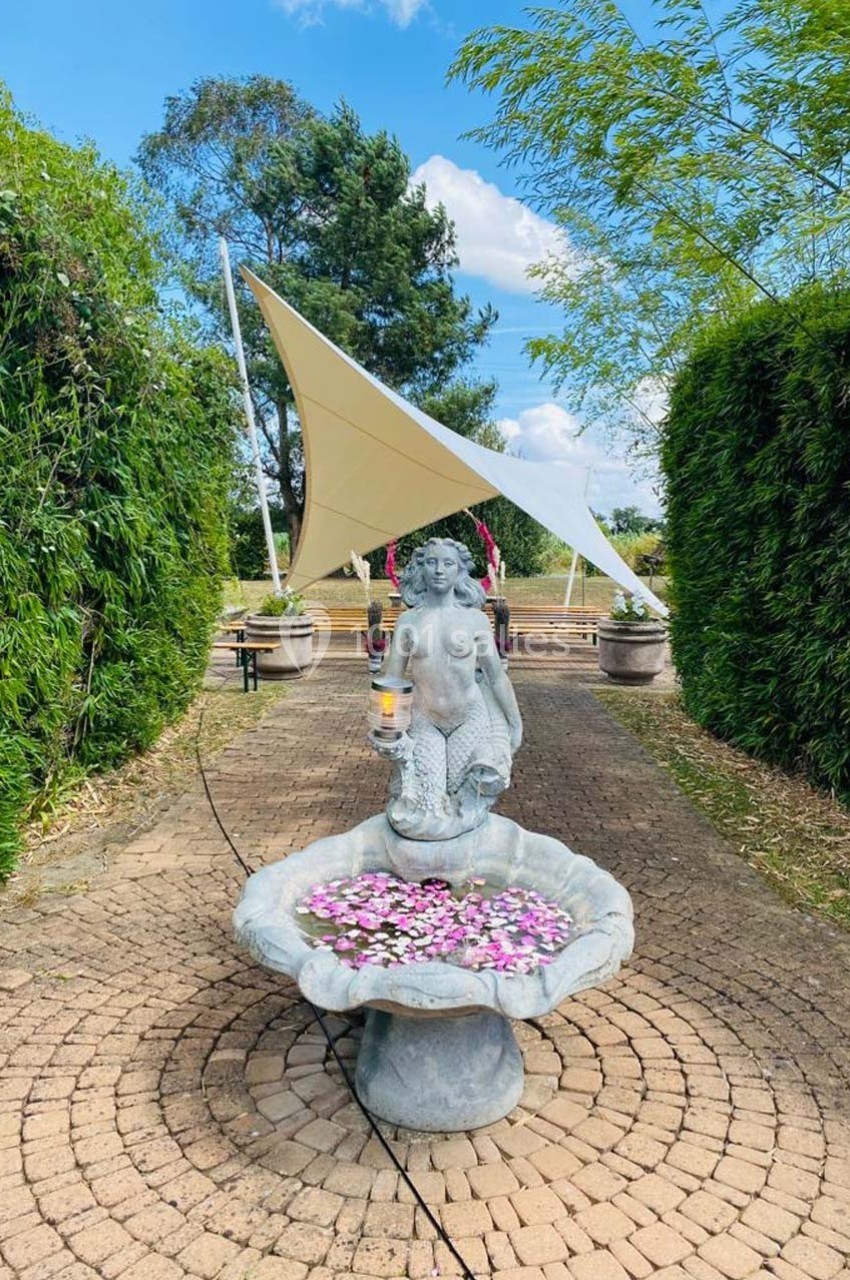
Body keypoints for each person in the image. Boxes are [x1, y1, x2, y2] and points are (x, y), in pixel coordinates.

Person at [371, 537, 522, 840]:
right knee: (427, 809)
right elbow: (393, 677)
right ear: (420, 568)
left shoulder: (475, 620)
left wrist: (514, 721)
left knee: (459, 799)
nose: (439, 570)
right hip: (425, 719)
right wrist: (388, 727)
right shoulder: (408, 621)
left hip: (468, 718)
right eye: (431, 562)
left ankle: (465, 854)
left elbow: (495, 677)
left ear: (460, 572)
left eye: (448, 563)